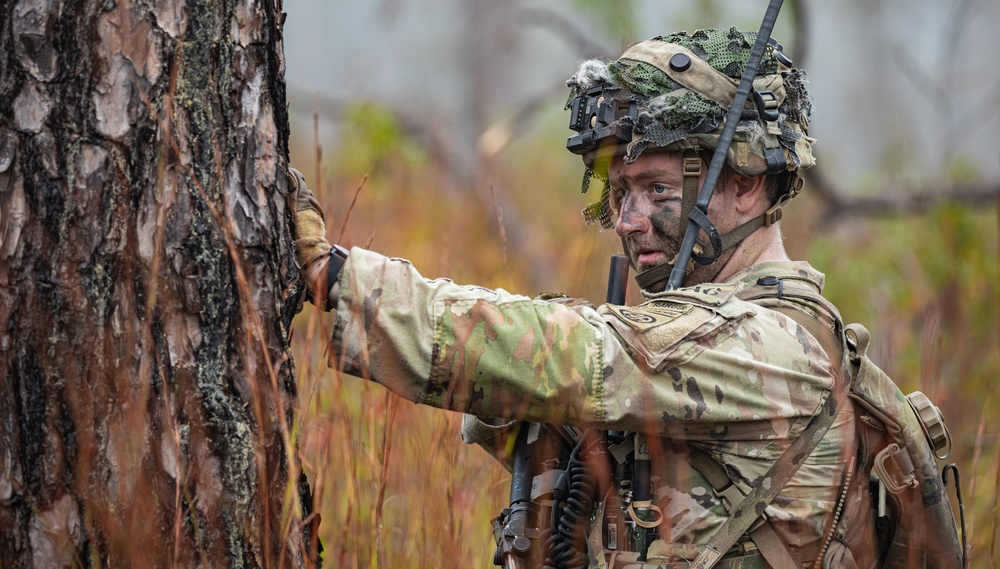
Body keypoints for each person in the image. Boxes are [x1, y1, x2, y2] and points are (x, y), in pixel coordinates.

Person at [292, 28, 876, 568]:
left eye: (658, 189)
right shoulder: (697, 331)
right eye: (621, 191)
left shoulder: (772, 344)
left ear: (746, 185)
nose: (629, 219)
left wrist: (337, 275)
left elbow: (574, 357)